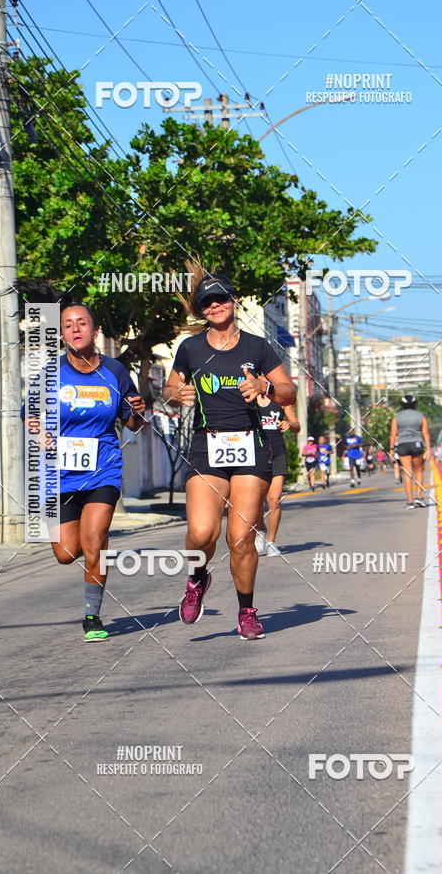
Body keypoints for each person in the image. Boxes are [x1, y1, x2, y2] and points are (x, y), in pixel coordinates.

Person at [164, 270, 296, 639]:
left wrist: (264, 385)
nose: (215, 305)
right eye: (207, 302)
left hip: (251, 447)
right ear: (201, 310)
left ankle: (247, 612)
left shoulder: (257, 347)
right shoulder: (191, 349)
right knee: (201, 531)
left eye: (221, 298)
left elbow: (288, 391)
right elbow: (170, 389)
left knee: (240, 538)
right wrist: (177, 394)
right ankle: (196, 578)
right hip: (206, 446)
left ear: (233, 301)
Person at [23, 302, 146, 642]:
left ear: (95, 331)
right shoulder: (51, 373)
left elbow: (133, 423)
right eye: (68, 325)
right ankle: (95, 545)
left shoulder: (116, 371)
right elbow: (29, 414)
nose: (75, 329)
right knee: (65, 553)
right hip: (59, 474)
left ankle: (92, 615)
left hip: (103, 468)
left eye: (82, 323)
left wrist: (139, 411)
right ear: (62, 334)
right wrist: (40, 434)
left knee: (93, 543)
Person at [255, 394, 300, 556]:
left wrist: (290, 424)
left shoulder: (281, 399)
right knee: (255, 500)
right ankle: (260, 531)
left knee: (274, 499)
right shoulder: (246, 398)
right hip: (255, 453)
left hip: (277, 453)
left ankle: (271, 543)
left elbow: (297, 426)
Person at [389, 394, 430, 509]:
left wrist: (391, 449)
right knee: (419, 471)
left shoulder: (397, 417)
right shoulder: (420, 416)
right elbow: (425, 432)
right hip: (417, 444)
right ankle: (419, 498)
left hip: (403, 445)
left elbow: (393, 434)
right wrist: (428, 449)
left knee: (408, 472)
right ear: (415, 404)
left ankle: (410, 502)